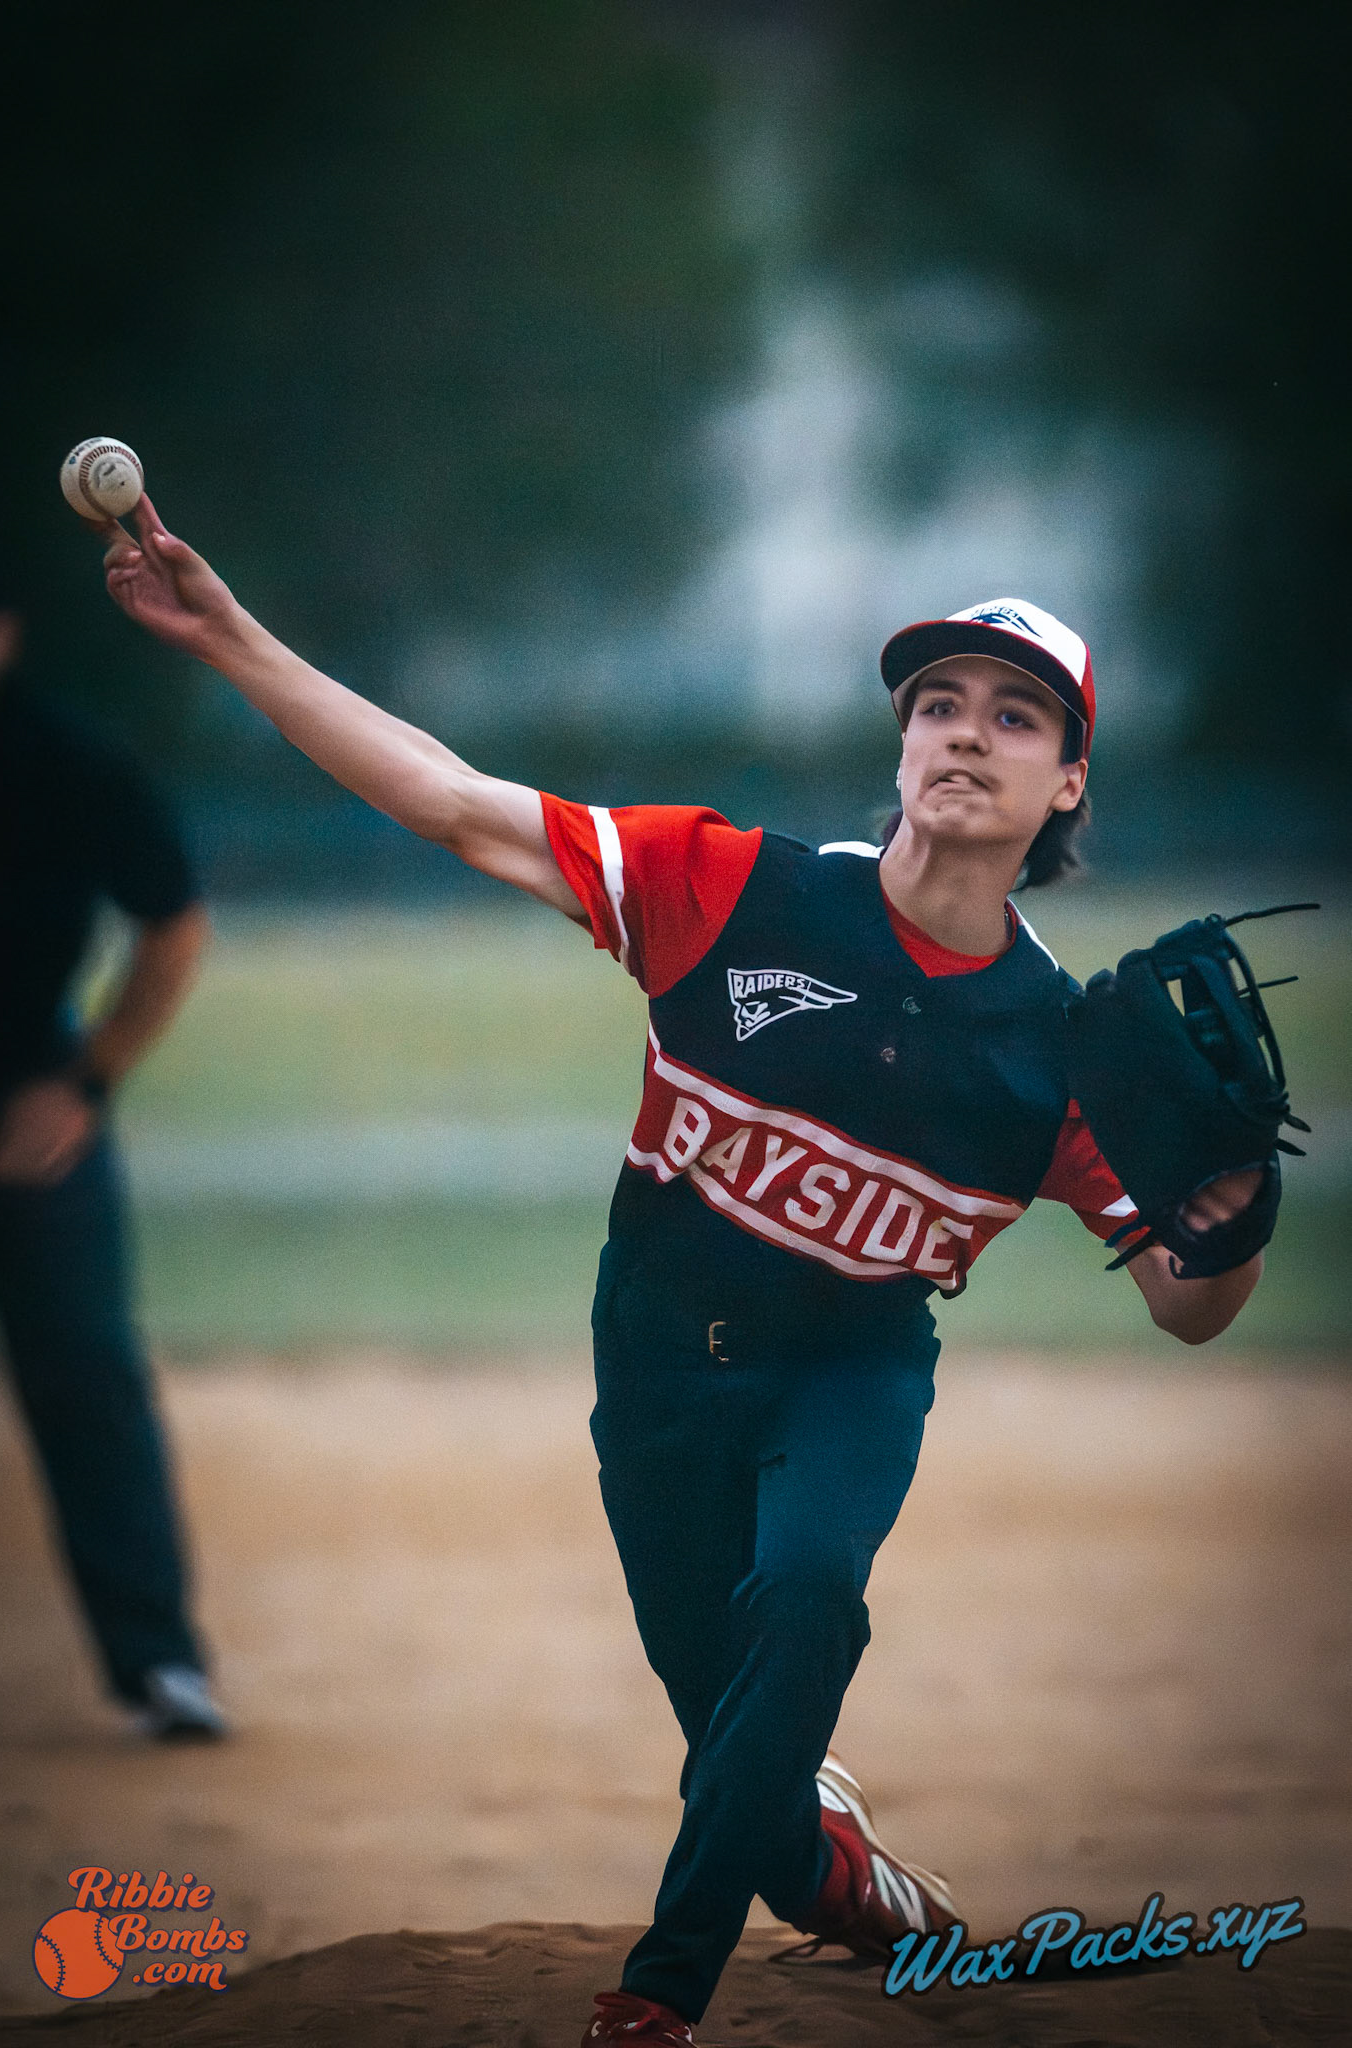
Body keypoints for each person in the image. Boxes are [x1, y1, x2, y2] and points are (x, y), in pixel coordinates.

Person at [98, 503, 1269, 2039]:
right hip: (653, 1360)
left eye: (1014, 714)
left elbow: (1188, 1308)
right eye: (934, 703)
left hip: (853, 1368)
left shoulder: (1068, 1057)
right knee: (738, 1738)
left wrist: (1232, 1212)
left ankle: (663, 1992)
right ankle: (835, 1874)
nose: (962, 734)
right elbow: (455, 806)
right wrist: (225, 634)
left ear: (1068, 783)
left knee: (807, 1599)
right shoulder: (733, 891)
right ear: (899, 745)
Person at [0, 577, 227, 1741]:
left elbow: (173, 922)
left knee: (84, 1368)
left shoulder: (63, 761)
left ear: (5, 630)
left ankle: (160, 1662)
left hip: (29, 1098)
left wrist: (86, 1078)